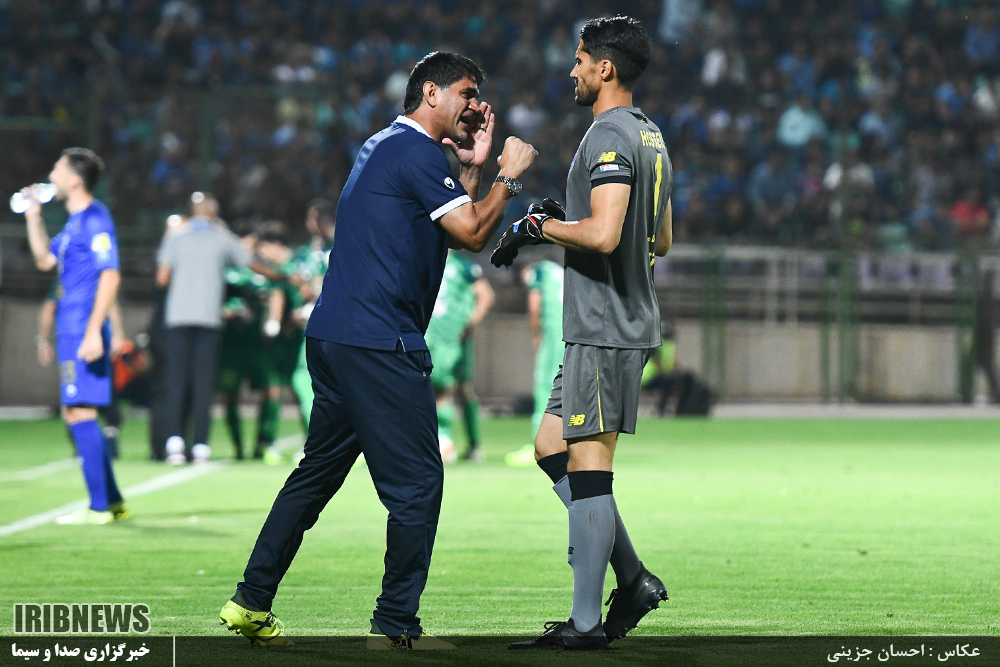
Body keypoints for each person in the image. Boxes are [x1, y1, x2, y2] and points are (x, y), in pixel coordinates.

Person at [219, 50, 536, 648]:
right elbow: (473, 233)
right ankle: (395, 623)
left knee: (316, 474)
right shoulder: (417, 152)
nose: (477, 105)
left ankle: (250, 600)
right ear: (431, 93)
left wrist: (473, 167)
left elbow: (455, 225)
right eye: (467, 93)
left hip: (336, 336)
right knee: (418, 485)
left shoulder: (386, 146)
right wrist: (509, 176)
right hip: (379, 341)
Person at [492, 17, 673, 649]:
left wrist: (539, 228)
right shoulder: (651, 136)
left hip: (606, 325)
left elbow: (603, 234)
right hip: (615, 321)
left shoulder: (609, 135)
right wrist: (563, 220)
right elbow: (660, 239)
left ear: (605, 68)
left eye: (579, 60)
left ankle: (587, 624)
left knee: (590, 464)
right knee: (551, 446)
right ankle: (633, 577)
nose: (572, 71)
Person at [21, 147, 128, 525]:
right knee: (76, 412)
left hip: (83, 327)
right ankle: (112, 502)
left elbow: (110, 274)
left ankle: (99, 507)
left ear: (75, 180)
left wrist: (94, 331)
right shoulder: (73, 224)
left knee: (79, 411)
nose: (51, 175)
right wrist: (33, 217)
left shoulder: (96, 218)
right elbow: (44, 260)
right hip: (71, 327)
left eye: (57, 169)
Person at [156, 192, 252, 465]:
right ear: (213, 212)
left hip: (178, 318)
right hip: (208, 318)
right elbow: (246, 260)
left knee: (176, 381)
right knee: (203, 383)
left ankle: (174, 442)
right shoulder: (222, 237)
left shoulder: (175, 236)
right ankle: (200, 445)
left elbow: (162, 278)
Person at [38, 281, 128, 457]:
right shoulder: (64, 281)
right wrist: (42, 340)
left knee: (100, 391)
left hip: (93, 342)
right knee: (76, 394)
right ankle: (84, 439)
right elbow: (49, 307)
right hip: (74, 344)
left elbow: (110, 302)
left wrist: (117, 334)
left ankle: (106, 435)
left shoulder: (93, 276)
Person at [424, 250, 494, 463]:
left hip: (455, 336)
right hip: (434, 335)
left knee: (456, 388)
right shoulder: (425, 261)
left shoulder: (463, 266)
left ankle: (460, 444)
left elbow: (485, 295)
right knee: (445, 386)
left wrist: (470, 323)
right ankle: (454, 442)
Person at [506, 257, 565, 467]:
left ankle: (538, 445)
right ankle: (564, 443)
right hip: (569, 334)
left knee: (544, 387)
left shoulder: (537, 272)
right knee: (563, 389)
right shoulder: (556, 270)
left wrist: (536, 335)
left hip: (553, 336)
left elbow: (534, 304)